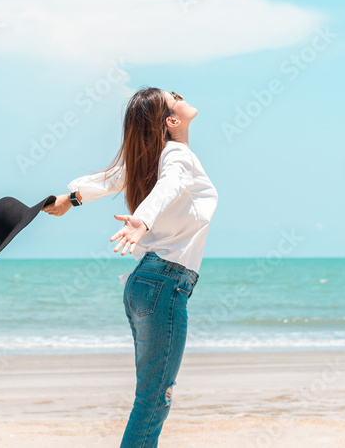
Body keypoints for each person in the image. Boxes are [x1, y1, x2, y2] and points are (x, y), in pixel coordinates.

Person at [43, 86, 219, 447]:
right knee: (154, 399)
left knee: (151, 396)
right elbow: (168, 187)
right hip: (163, 284)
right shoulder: (176, 156)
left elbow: (112, 179)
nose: (181, 96)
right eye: (175, 97)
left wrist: (70, 199)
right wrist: (142, 220)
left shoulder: (156, 158)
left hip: (146, 285)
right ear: (172, 121)